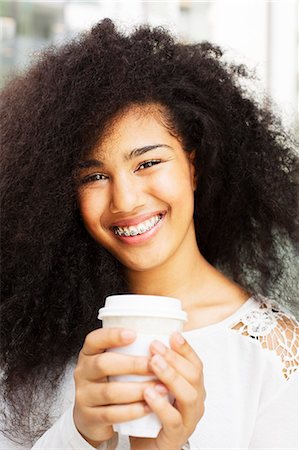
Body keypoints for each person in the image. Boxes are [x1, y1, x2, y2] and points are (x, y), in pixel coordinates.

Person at [0, 18, 298, 450]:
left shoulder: (274, 360)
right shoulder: (34, 343)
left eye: (148, 163)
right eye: (94, 176)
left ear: (192, 166)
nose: (125, 200)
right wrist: (78, 432)